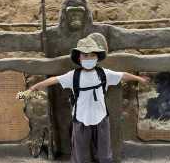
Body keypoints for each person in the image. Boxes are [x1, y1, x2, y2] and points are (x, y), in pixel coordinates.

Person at [29, 33, 150, 163]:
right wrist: (35, 86)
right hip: (80, 119)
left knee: (105, 155)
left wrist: (139, 79)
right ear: (79, 58)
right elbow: (55, 79)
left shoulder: (104, 73)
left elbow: (122, 75)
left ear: (97, 57)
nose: (89, 58)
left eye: (92, 55)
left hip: (101, 118)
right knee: (80, 155)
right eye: (85, 55)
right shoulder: (73, 76)